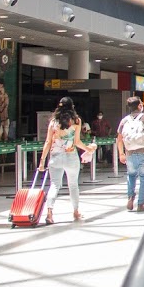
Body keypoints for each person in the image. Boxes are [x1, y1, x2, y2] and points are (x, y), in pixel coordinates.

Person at [37, 96, 95, 224]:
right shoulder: (76, 121)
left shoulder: (53, 122)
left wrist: (42, 161)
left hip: (55, 158)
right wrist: (88, 149)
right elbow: (77, 142)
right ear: (72, 107)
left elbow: (48, 142)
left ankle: (49, 213)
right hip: (71, 157)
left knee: (54, 185)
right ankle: (75, 211)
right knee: (73, 185)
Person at [116, 96, 144, 212]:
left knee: (131, 175)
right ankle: (141, 204)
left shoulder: (124, 120)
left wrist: (121, 153)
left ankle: (130, 196)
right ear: (140, 106)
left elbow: (119, 139)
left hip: (130, 152)